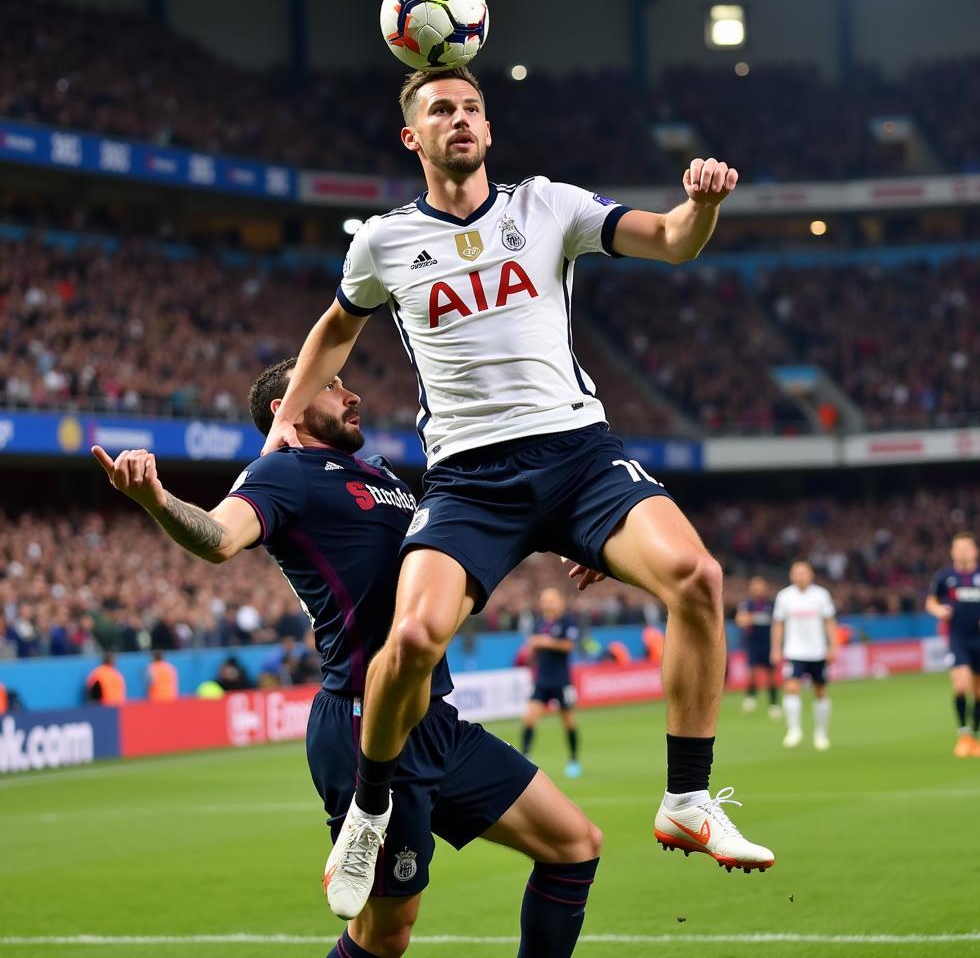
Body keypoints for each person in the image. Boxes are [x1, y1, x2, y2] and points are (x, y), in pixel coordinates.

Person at [262, 66, 773, 909]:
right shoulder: (384, 242)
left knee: (698, 577)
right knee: (414, 637)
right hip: (469, 477)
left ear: (489, 130)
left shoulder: (547, 205)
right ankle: (369, 809)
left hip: (578, 457)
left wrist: (704, 204)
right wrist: (283, 425)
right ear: (412, 137)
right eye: (440, 110)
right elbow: (335, 329)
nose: (459, 119)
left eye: (471, 108)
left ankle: (687, 800)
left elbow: (672, 239)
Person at [92, 358, 602, 958]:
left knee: (575, 844)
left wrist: (579, 536)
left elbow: (460, 539)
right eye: (331, 386)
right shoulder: (284, 472)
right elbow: (220, 537)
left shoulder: (378, 472)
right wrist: (156, 500)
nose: (351, 394)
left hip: (433, 717)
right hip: (365, 721)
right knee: (384, 936)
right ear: (294, 406)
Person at [925, 532, 980, 758]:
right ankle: (963, 735)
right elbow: (931, 601)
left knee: (979, 691)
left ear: (975, 551)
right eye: (957, 547)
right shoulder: (944, 577)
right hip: (957, 638)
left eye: (966, 547)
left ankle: (976, 737)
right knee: (961, 686)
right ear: (952, 552)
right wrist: (938, 610)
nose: (962, 551)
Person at [770, 561, 838, 751]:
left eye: (804, 573)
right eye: (797, 573)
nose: (801, 576)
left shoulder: (821, 595)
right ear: (792, 575)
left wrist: (834, 645)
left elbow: (829, 622)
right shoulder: (784, 596)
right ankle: (794, 730)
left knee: (820, 691)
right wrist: (776, 648)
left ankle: (821, 734)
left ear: (811, 575)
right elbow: (778, 623)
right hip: (794, 651)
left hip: (817, 651)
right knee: (791, 688)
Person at [520, 588, 582, 777]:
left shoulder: (567, 621)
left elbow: (569, 646)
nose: (548, 603)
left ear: (560, 601)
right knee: (529, 718)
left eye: (552, 600)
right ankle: (525, 757)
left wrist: (544, 642)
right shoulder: (538, 623)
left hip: (561, 681)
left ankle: (573, 761)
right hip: (542, 680)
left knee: (568, 721)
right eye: (545, 600)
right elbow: (533, 651)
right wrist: (530, 651)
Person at [735, 576, 780, 718]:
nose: (757, 589)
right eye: (755, 586)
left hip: (769, 643)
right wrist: (755, 618)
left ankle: (774, 705)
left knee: (772, 676)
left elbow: (777, 622)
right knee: (752, 673)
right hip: (753, 643)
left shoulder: (772, 604)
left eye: (760, 586)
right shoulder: (746, 604)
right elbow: (741, 621)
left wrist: (752, 618)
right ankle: (750, 699)